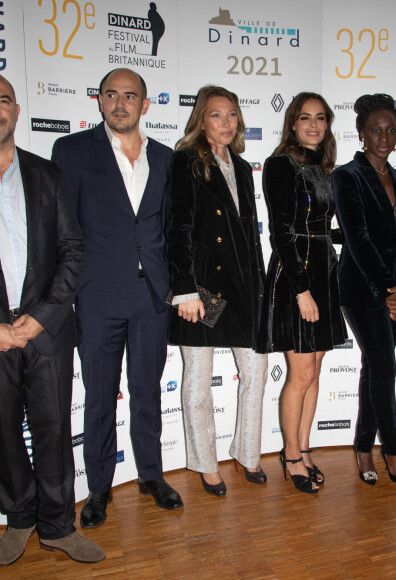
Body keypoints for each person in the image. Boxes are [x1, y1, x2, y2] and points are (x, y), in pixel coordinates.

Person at [52, 68, 183, 528]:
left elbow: (173, 231)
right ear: (100, 101)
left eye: (131, 96)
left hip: (152, 297)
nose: (120, 103)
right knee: (100, 396)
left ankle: (151, 475)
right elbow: (62, 229)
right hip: (98, 295)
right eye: (112, 95)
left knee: (147, 391)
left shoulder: (167, 158)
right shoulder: (71, 151)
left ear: (145, 105)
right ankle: (99, 488)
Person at [0, 75, 104, 565]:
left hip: (48, 331)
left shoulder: (47, 174)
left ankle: (59, 526)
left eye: (2, 99)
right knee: (3, 431)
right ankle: (19, 519)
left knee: (54, 431)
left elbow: (72, 250)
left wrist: (40, 318)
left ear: (17, 112)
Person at [166, 86, 268, 497]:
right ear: (201, 120)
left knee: (256, 372)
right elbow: (178, 228)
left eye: (231, 115)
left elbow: (249, 234)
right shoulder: (186, 161)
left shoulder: (242, 167)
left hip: (243, 288)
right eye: (216, 115)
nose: (226, 123)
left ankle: (247, 453)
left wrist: (261, 287)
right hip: (204, 289)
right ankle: (207, 465)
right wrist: (185, 290)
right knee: (197, 382)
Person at [257, 92, 348, 494]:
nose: (313, 125)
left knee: (316, 372)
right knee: (301, 373)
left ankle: (305, 448)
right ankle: (291, 455)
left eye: (320, 118)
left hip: (325, 272)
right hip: (297, 276)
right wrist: (301, 290)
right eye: (305, 118)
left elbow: (325, 228)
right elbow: (281, 232)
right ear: (292, 123)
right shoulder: (281, 165)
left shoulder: (326, 167)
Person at [333, 94, 396, 489]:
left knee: (374, 368)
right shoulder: (347, 176)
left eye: (390, 130)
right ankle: (394, 454)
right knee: (385, 367)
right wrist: (391, 289)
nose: (384, 136)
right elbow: (358, 239)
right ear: (362, 134)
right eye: (375, 130)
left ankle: (362, 447)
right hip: (362, 289)